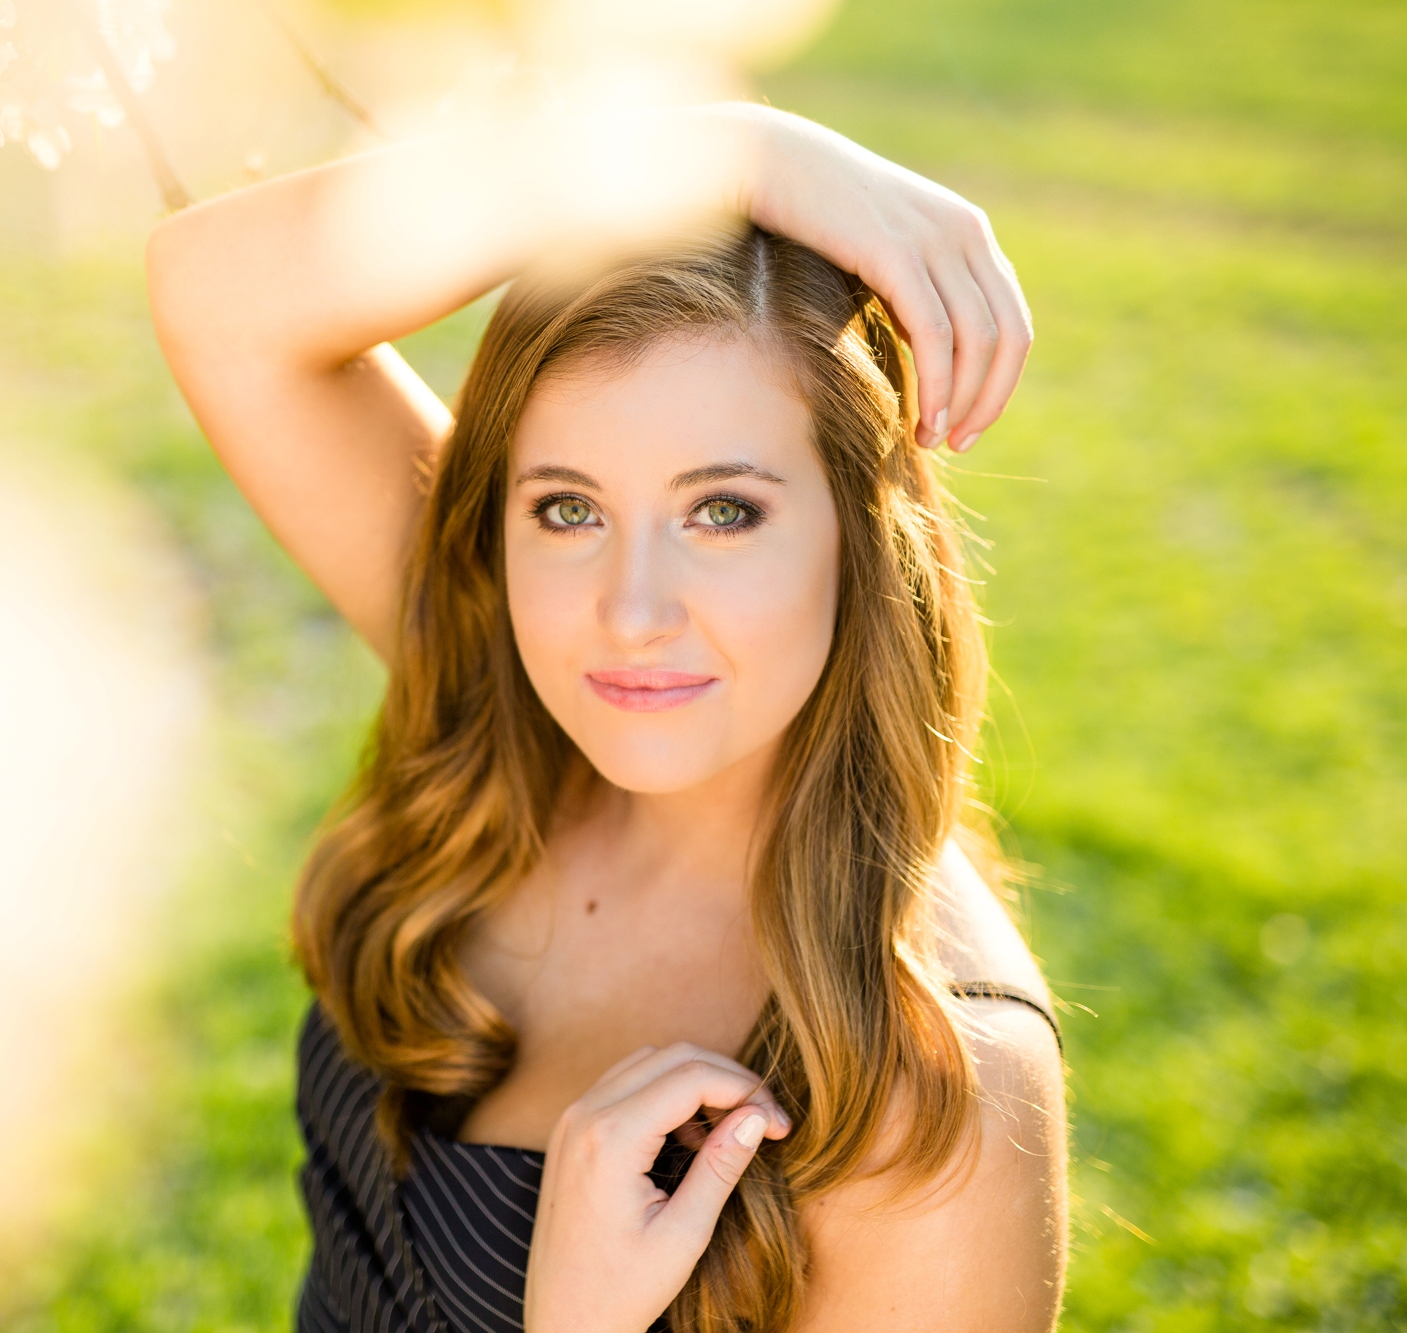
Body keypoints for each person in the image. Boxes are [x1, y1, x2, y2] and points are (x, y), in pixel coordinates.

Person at [146, 102, 1064, 1333]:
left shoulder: (926, 1082)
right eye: (567, 510)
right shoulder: (499, 696)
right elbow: (218, 294)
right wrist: (718, 146)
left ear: (860, 536)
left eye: (721, 512)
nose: (628, 615)